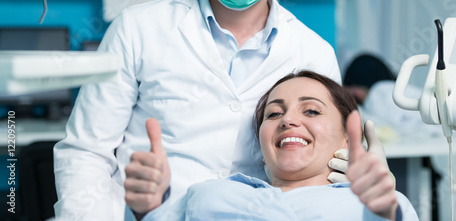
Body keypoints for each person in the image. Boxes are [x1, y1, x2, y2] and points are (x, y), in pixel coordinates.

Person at [53, 0, 387, 219]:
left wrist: (354, 176)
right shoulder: (136, 30)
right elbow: (86, 153)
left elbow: (324, 165)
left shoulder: (314, 52)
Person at [126, 71, 418, 220]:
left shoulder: (371, 207)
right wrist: (150, 205)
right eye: (274, 113)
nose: (288, 120)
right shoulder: (209, 196)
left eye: (311, 111)